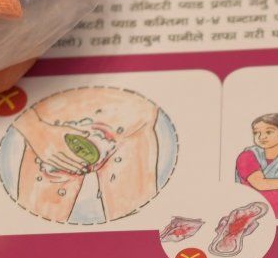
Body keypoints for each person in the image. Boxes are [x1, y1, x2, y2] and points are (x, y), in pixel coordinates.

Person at [12, 86, 165, 224]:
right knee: (35, 223)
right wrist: (34, 127)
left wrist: (33, 126)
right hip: (128, 116)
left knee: (135, 220)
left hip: (131, 121)